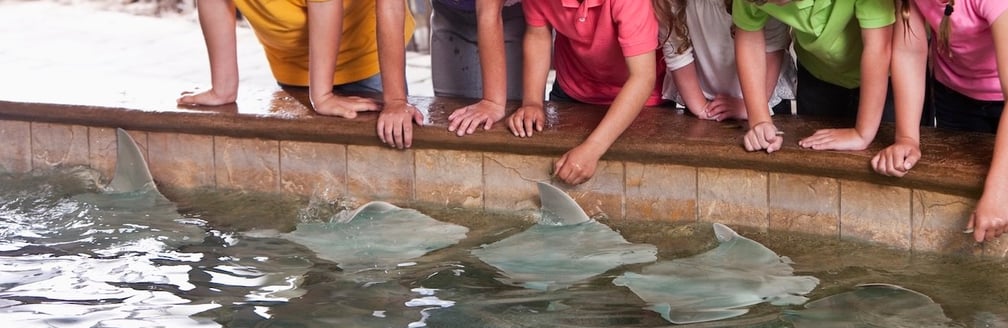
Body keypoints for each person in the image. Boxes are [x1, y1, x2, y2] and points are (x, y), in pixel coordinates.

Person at [870, 0, 1008, 242]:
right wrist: (907, 139)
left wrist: (997, 193)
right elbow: (909, 52)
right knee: (961, 188)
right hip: (957, 88)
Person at [506, 0, 667, 186]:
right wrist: (532, 102)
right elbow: (538, 35)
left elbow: (643, 78)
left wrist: (594, 147)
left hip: (641, 99)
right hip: (573, 88)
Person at [179, 0, 413, 119]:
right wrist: (223, 89)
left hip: (365, 54)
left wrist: (322, 96)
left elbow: (326, 5)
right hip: (293, 64)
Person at [732, 0, 895, 154]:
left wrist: (862, 134)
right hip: (817, 75)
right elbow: (749, 37)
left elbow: (878, 48)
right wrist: (759, 121)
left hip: (885, 81)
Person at [375, 0, 526, 148]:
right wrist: (395, 101)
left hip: (508, 14)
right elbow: (390, 5)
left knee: (508, 125)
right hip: (449, 14)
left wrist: (493, 103)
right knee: (452, 122)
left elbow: (489, 11)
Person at [652, 0, 795, 122]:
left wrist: (750, 107)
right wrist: (702, 108)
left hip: (766, 95)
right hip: (700, 95)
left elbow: (773, 47)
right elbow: (677, 54)